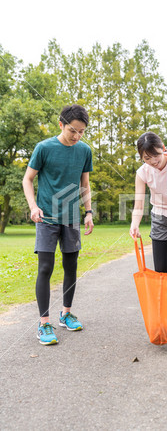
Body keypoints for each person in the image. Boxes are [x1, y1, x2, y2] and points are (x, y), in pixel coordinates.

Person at [23, 104, 94, 345]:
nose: (77, 136)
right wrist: (34, 207)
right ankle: (44, 324)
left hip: (72, 218)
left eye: (82, 131)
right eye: (73, 130)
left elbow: (85, 183)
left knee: (71, 266)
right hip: (47, 218)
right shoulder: (43, 148)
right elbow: (28, 179)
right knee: (45, 268)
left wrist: (89, 212)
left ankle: (66, 314)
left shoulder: (84, 151)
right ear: (61, 124)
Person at [130, 132, 167, 332]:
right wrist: (135, 223)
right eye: (146, 158)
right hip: (159, 217)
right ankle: (165, 315)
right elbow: (139, 203)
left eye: (155, 155)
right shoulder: (143, 172)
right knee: (160, 268)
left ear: (163, 148)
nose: (152, 161)